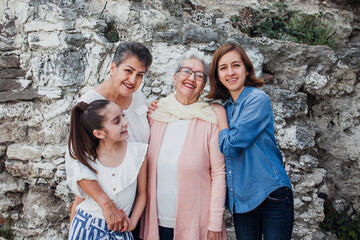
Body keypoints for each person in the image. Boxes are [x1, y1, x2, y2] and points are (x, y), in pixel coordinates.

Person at [65, 42, 152, 238]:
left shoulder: (137, 96)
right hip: (105, 209)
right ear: (112, 68)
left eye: (140, 75)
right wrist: (106, 204)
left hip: (132, 205)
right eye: (128, 71)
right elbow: (76, 162)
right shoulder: (89, 104)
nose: (133, 80)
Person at [207, 42, 294, 240]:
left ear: (246, 69)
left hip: (271, 194)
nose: (230, 72)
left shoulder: (257, 100)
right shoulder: (226, 107)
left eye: (236, 65)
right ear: (218, 76)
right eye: (223, 68)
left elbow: (230, 146)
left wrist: (221, 117)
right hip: (242, 202)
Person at [142, 49, 227, 240]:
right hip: (156, 220)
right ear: (175, 77)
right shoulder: (155, 114)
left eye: (199, 75)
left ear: (204, 85)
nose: (191, 78)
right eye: (186, 71)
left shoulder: (211, 119)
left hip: (197, 223)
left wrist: (215, 222)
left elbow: (219, 174)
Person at [67, 99, 147, 239]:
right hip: (86, 227)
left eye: (123, 116)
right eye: (116, 121)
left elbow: (142, 193)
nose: (125, 122)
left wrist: (133, 223)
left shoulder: (138, 154)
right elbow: (79, 200)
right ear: (99, 133)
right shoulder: (88, 158)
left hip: (121, 230)